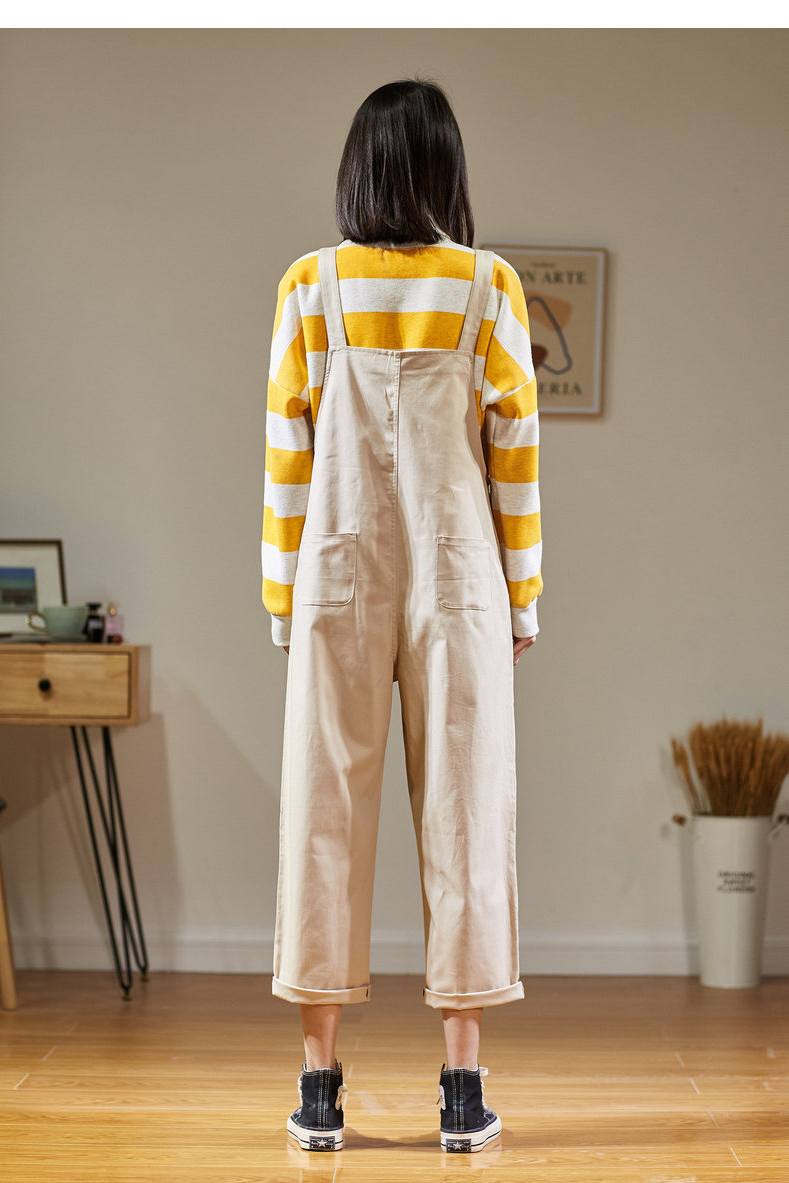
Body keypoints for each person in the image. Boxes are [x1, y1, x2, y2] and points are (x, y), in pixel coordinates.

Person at [261, 76, 542, 1154]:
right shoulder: (489, 286)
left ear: (358, 167)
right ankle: (462, 1091)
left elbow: (288, 456)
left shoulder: (309, 285)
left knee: (321, 811)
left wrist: (282, 598)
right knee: (466, 808)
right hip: (459, 577)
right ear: (445, 169)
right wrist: (522, 594)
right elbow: (514, 457)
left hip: (333, 570)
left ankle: (318, 1088)